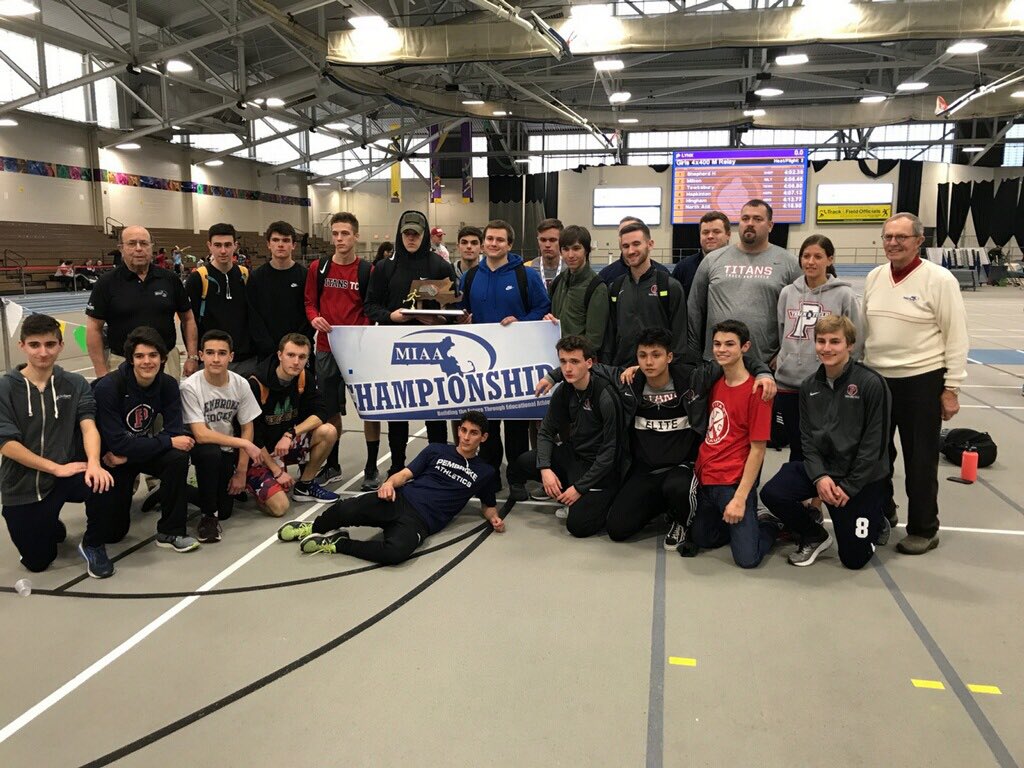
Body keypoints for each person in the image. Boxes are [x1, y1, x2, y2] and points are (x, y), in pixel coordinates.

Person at [862, 212, 968, 555]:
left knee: (920, 461)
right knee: (877, 457)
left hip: (921, 381)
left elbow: (957, 336)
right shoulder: (875, 277)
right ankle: (884, 511)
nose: (893, 243)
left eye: (901, 237)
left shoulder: (940, 280)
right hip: (877, 380)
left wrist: (951, 388)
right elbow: (865, 331)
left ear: (919, 241)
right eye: (888, 237)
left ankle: (924, 528)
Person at [278, 411, 503, 563]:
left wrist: (493, 518)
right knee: (346, 510)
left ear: (483, 437)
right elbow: (405, 474)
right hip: (399, 499)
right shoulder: (436, 450)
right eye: (463, 430)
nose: (465, 437)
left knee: (395, 553)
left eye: (473, 433)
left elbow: (488, 505)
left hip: (421, 522)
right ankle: (314, 527)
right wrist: (388, 484)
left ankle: (338, 543)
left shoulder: (485, 472)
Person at [761, 315, 891, 568]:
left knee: (854, 559)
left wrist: (850, 487)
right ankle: (814, 535)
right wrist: (819, 477)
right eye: (821, 341)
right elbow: (806, 440)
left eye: (835, 341)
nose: (827, 348)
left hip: (859, 479)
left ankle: (875, 514)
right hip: (826, 473)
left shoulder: (871, 383)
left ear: (850, 345)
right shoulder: (809, 385)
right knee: (773, 492)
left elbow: (875, 445)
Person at [80, 327, 199, 579]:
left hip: (133, 452)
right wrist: (158, 443)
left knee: (178, 457)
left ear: (163, 358)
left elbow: (176, 431)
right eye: (140, 356)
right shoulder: (109, 387)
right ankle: (94, 538)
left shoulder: (167, 385)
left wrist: (143, 448)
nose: (147, 361)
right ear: (130, 359)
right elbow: (117, 444)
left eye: (153, 355)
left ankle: (171, 531)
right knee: (114, 534)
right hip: (110, 459)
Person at [0, 315, 113, 573]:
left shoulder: (75, 384)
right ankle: (49, 523)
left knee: (104, 482)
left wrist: (94, 463)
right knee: (38, 563)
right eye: (35, 345)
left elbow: (88, 426)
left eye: (50, 344)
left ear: (60, 345)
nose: (43, 352)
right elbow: (6, 444)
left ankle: (94, 545)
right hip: (24, 482)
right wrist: (53, 468)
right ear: (22, 346)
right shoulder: (4, 388)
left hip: (67, 474)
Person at [460, 219, 551, 498]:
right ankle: (490, 477)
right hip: (482, 363)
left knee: (516, 424)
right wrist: (463, 319)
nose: (493, 244)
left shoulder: (527, 276)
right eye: (489, 239)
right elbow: (461, 310)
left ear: (509, 245)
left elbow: (543, 307)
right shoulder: (471, 276)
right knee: (486, 422)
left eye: (500, 240)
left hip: (515, 361)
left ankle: (517, 478)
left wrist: (521, 321)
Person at [364, 210, 455, 473]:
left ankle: (438, 466)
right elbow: (370, 306)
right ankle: (396, 465)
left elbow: (453, 308)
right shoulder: (384, 268)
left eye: (416, 233)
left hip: (433, 350)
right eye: (407, 233)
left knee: (435, 412)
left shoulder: (440, 266)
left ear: (425, 234)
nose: (411, 238)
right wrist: (390, 316)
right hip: (396, 350)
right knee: (398, 413)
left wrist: (440, 319)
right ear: (400, 234)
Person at [511, 335, 622, 538]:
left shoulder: (604, 395)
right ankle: (563, 487)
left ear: (589, 363)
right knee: (525, 461)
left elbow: (610, 452)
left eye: (574, 361)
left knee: (578, 526)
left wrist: (579, 488)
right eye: (563, 362)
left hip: (599, 465)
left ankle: (604, 499)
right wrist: (545, 468)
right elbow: (545, 431)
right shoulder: (564, 390)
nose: (568, 368)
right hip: (574, 453)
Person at [688, 320, 777, 568]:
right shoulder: (713, 382)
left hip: (733, 482)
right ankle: (733, 522)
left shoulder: (758, 392)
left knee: (747, 559)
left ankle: (768, 523)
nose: (721, 350)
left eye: (729, 344)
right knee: (702, 539)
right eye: (717, 344)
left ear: (745, 347)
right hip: (707, 479)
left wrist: (739, 498)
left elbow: (758, 450)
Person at [304, 212, 381, 491]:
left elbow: (371, 308)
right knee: (329, 409)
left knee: (369, 410)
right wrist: (314, 318)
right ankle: (332, 465)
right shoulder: (319, 268)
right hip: (326, 349)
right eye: (335, 234)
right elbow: (310, 303)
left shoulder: (367, 271)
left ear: (356, 236)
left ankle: (371, 468)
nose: (339, 239)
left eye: (345, 233)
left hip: (359, 352)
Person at [774, 235, 861, 460]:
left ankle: (819, 491)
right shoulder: (788, 293)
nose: (811, 261)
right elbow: (782, 329)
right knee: (796, 442)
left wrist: (848, 376)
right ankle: (800, 489)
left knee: (820, 443)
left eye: (818, 256)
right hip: (788, 382)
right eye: (806, 256)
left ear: (830, 259)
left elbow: (855, 339)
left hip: (826, 383)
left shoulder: (844, 295)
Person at [687, 199, 800, 364]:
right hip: (716, 360)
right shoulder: (712, 260)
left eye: (757, 219)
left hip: (765, 362)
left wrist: (784, 352)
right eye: (745, 218)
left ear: (770, 225)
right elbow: (694, 309)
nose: (750, 223)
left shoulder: (789, 263)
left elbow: (798, 314)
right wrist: (693, 354)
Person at [180, 330, 264, 543]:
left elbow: (247, 427)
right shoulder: (190, 387)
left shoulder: (240, 384)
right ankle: (208, 518)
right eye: (210, 353)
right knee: (210, 454)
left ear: (231, 357)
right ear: (200, 355)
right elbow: (200, 434)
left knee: (226, 510)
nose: (215, 359)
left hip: (227, 446)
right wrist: (244, 443)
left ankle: (177, 492)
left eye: (221, 353)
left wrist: (242, 472)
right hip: (200, 447)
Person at [85, 225, 199, 381]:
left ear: (151, 247)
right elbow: (93, 328)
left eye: (144, 243)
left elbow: (188, 319)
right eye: (132, 243)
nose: (138, 248)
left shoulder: (170, 279)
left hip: (166, 362)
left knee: (168, 404)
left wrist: (192, 356)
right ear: (121, 248)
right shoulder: (106, 283)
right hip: (122, 363)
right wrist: (101, 372)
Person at [246, 333, 340, 518]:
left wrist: (291, 433)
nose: (296, 362)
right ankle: (255, 482)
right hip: (259, 453)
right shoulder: (256, 384)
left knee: (328, 431)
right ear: (280, 355)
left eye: (302, 357)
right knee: (280, 508)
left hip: (284, 445)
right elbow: (252, 436)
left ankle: (305, 485)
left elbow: (321, 413)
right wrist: (275, 470)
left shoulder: (304, 378)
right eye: (291, 355)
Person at [604, 219, 687, 366]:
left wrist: (673, 370)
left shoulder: (669, 286)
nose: (631, 251)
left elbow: (679, 339)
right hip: (623, 373)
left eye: (636, 244)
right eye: (625, 246)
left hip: (659, 373)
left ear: (650, 244)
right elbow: (610, 337)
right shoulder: (615, 288)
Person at [185, 223, 259, 378]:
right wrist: (193, 356)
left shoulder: (246, 275)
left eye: (227, 245)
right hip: (211, 360)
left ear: (235, 246)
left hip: (245, 361)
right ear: (209, 246)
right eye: (218, 245)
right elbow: (189, 321)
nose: (223, 250)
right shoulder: (198, 278)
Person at [247, 221, 314, 364]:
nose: (280, 244)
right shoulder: (256, 277)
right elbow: (253, 316)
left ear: (294, 245)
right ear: (268, 244)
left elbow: (310, 313)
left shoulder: (305, 276)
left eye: (285, 240)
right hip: (267, 352)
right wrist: (269, 347)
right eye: (275, 240)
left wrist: (296, 345)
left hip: (298, 351)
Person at [544, 224, 609, 352]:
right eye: (566, 249)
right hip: (555, 355)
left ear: (587, 250)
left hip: (578, 361)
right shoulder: (559, 281)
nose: (570, 255)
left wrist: (573, 358)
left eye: (576, 248)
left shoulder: (596, 287)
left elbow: (594, 340)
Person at [671, 211, 730, 300]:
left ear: (728, 235)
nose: (710, 236)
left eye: (716, 232)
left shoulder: (739, 267)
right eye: (705, 232)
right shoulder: (683, 268)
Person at [597, 216, 671, 285]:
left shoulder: (664, 276)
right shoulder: (605, 275)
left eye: (636, 243)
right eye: (622, 233)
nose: (628, 235)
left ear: (649, 244)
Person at [530, 218, 564, 290]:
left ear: (562, 241)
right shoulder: (528, 268)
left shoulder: (570, 269)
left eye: (552, 240)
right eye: (543, 240)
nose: (547, 245)